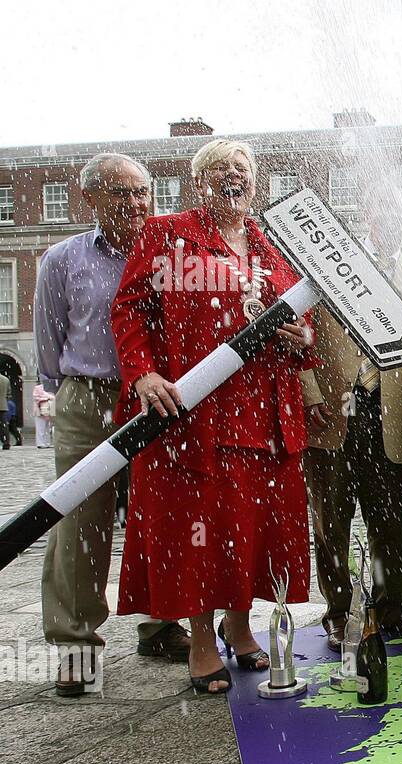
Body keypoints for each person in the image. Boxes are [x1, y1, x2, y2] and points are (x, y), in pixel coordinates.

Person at [111, 139, 316, 694]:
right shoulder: (166, 233)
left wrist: (302, 336)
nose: (233, 176)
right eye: (221, 168)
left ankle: (240, 627)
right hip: (196, 414)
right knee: (199, 530)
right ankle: (202, 643)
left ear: (255, 181)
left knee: (247, 528)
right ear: (199, 181)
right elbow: (129, 306)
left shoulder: (271, 246)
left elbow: (300, 316)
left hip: (264, 413)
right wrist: (143, 373)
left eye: (242, 168)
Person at [35, 153, 191, 695]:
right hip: (92, 397)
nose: (134, 204)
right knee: (81, 521)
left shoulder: (174, 254)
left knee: (164, 515)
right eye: (118, 193)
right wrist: (70, 391)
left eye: (142, 192)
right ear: (91, 199)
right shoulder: (62, 259)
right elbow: (49, 345)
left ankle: (162, 624)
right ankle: (75, 644)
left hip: (161, 399)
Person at [301, 185, 402, 648]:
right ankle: (337, 611)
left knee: (387, 517)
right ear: (368, 215)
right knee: (330, 519)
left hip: (388, 409)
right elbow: (300, 333)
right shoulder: (327, 264)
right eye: (382, 211)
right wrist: (309, 390)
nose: (390, 221)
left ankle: (392, 605)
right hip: (331, 408)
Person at [33, 383, 55, 448]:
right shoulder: (38, 388)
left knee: (48, 427)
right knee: (40, 427)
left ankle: (47, 442)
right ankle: (40, 443)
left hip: (50, 409)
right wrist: (49, 397)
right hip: (39, 409)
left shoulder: (52, 386)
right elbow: (36, 397)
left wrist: (48, 397)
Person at [0, 372, 10, 451]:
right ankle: (6, 443)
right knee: (4, 425)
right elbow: (9, 393)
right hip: (3, 405)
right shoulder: (5, 379)